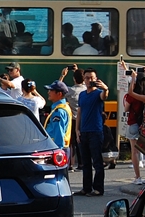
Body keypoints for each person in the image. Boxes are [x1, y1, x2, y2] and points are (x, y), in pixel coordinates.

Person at [75, 68, 109, 196]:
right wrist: (77, 130)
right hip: (83, 132)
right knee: (85, 163)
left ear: (96, 79)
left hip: (95, 131)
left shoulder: (98, 93)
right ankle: (86, 188)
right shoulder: (82, 95)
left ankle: (98, 188)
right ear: (83, 79)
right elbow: (79, 112)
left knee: (97, 162)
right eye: (87, 78)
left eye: (92, 78)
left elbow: (104, 96)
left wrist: (105, 89)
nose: (89, 80)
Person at [123, 71, 145, 186]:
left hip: (133, 123)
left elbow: (126, 109)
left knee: (135, 152)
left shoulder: (132, 96)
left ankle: (138, 177)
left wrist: (132, 79)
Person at [43, 80, 72, 152]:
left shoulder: (59, 111)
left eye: (51, 90)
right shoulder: (64, 106)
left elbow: (59, 132)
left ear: (59, 94)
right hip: (60, 147)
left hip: (56, 148)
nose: (48, 92)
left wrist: (58, 150)